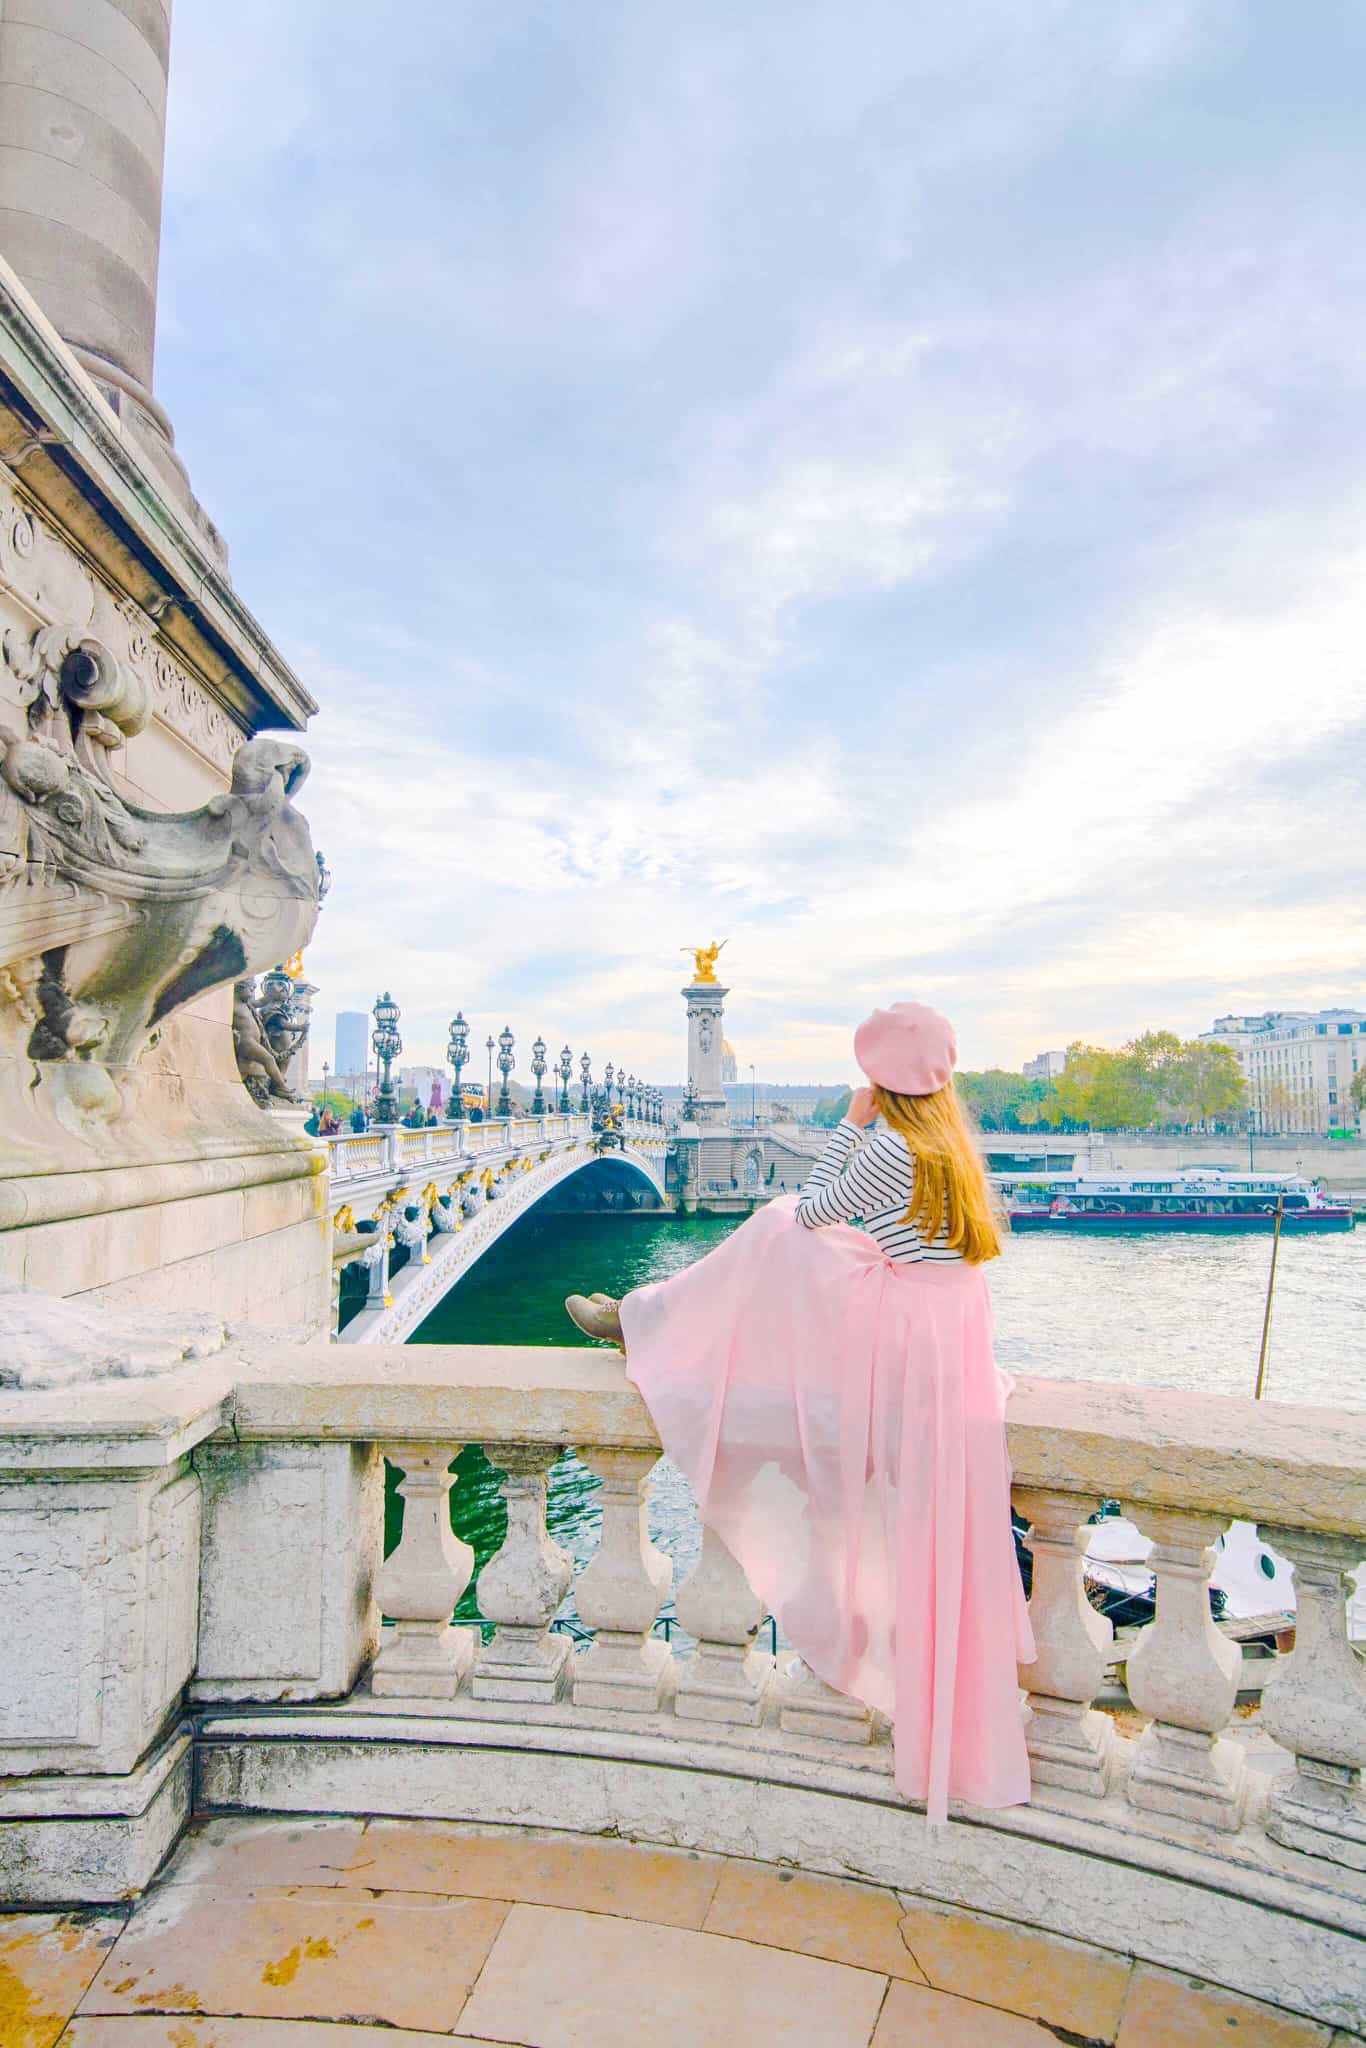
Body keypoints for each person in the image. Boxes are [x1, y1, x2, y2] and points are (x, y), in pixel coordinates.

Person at [565, 1001, 1032, 1824]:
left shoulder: (889, 1145)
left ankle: (643, 1321)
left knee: (778, 1225)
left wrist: (850, 1127)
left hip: (902, 1337)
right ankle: (650, 1316)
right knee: (789, 1240)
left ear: (882, 1080)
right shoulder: (949, 1143)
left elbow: (816, 1204)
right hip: (948, 1335)